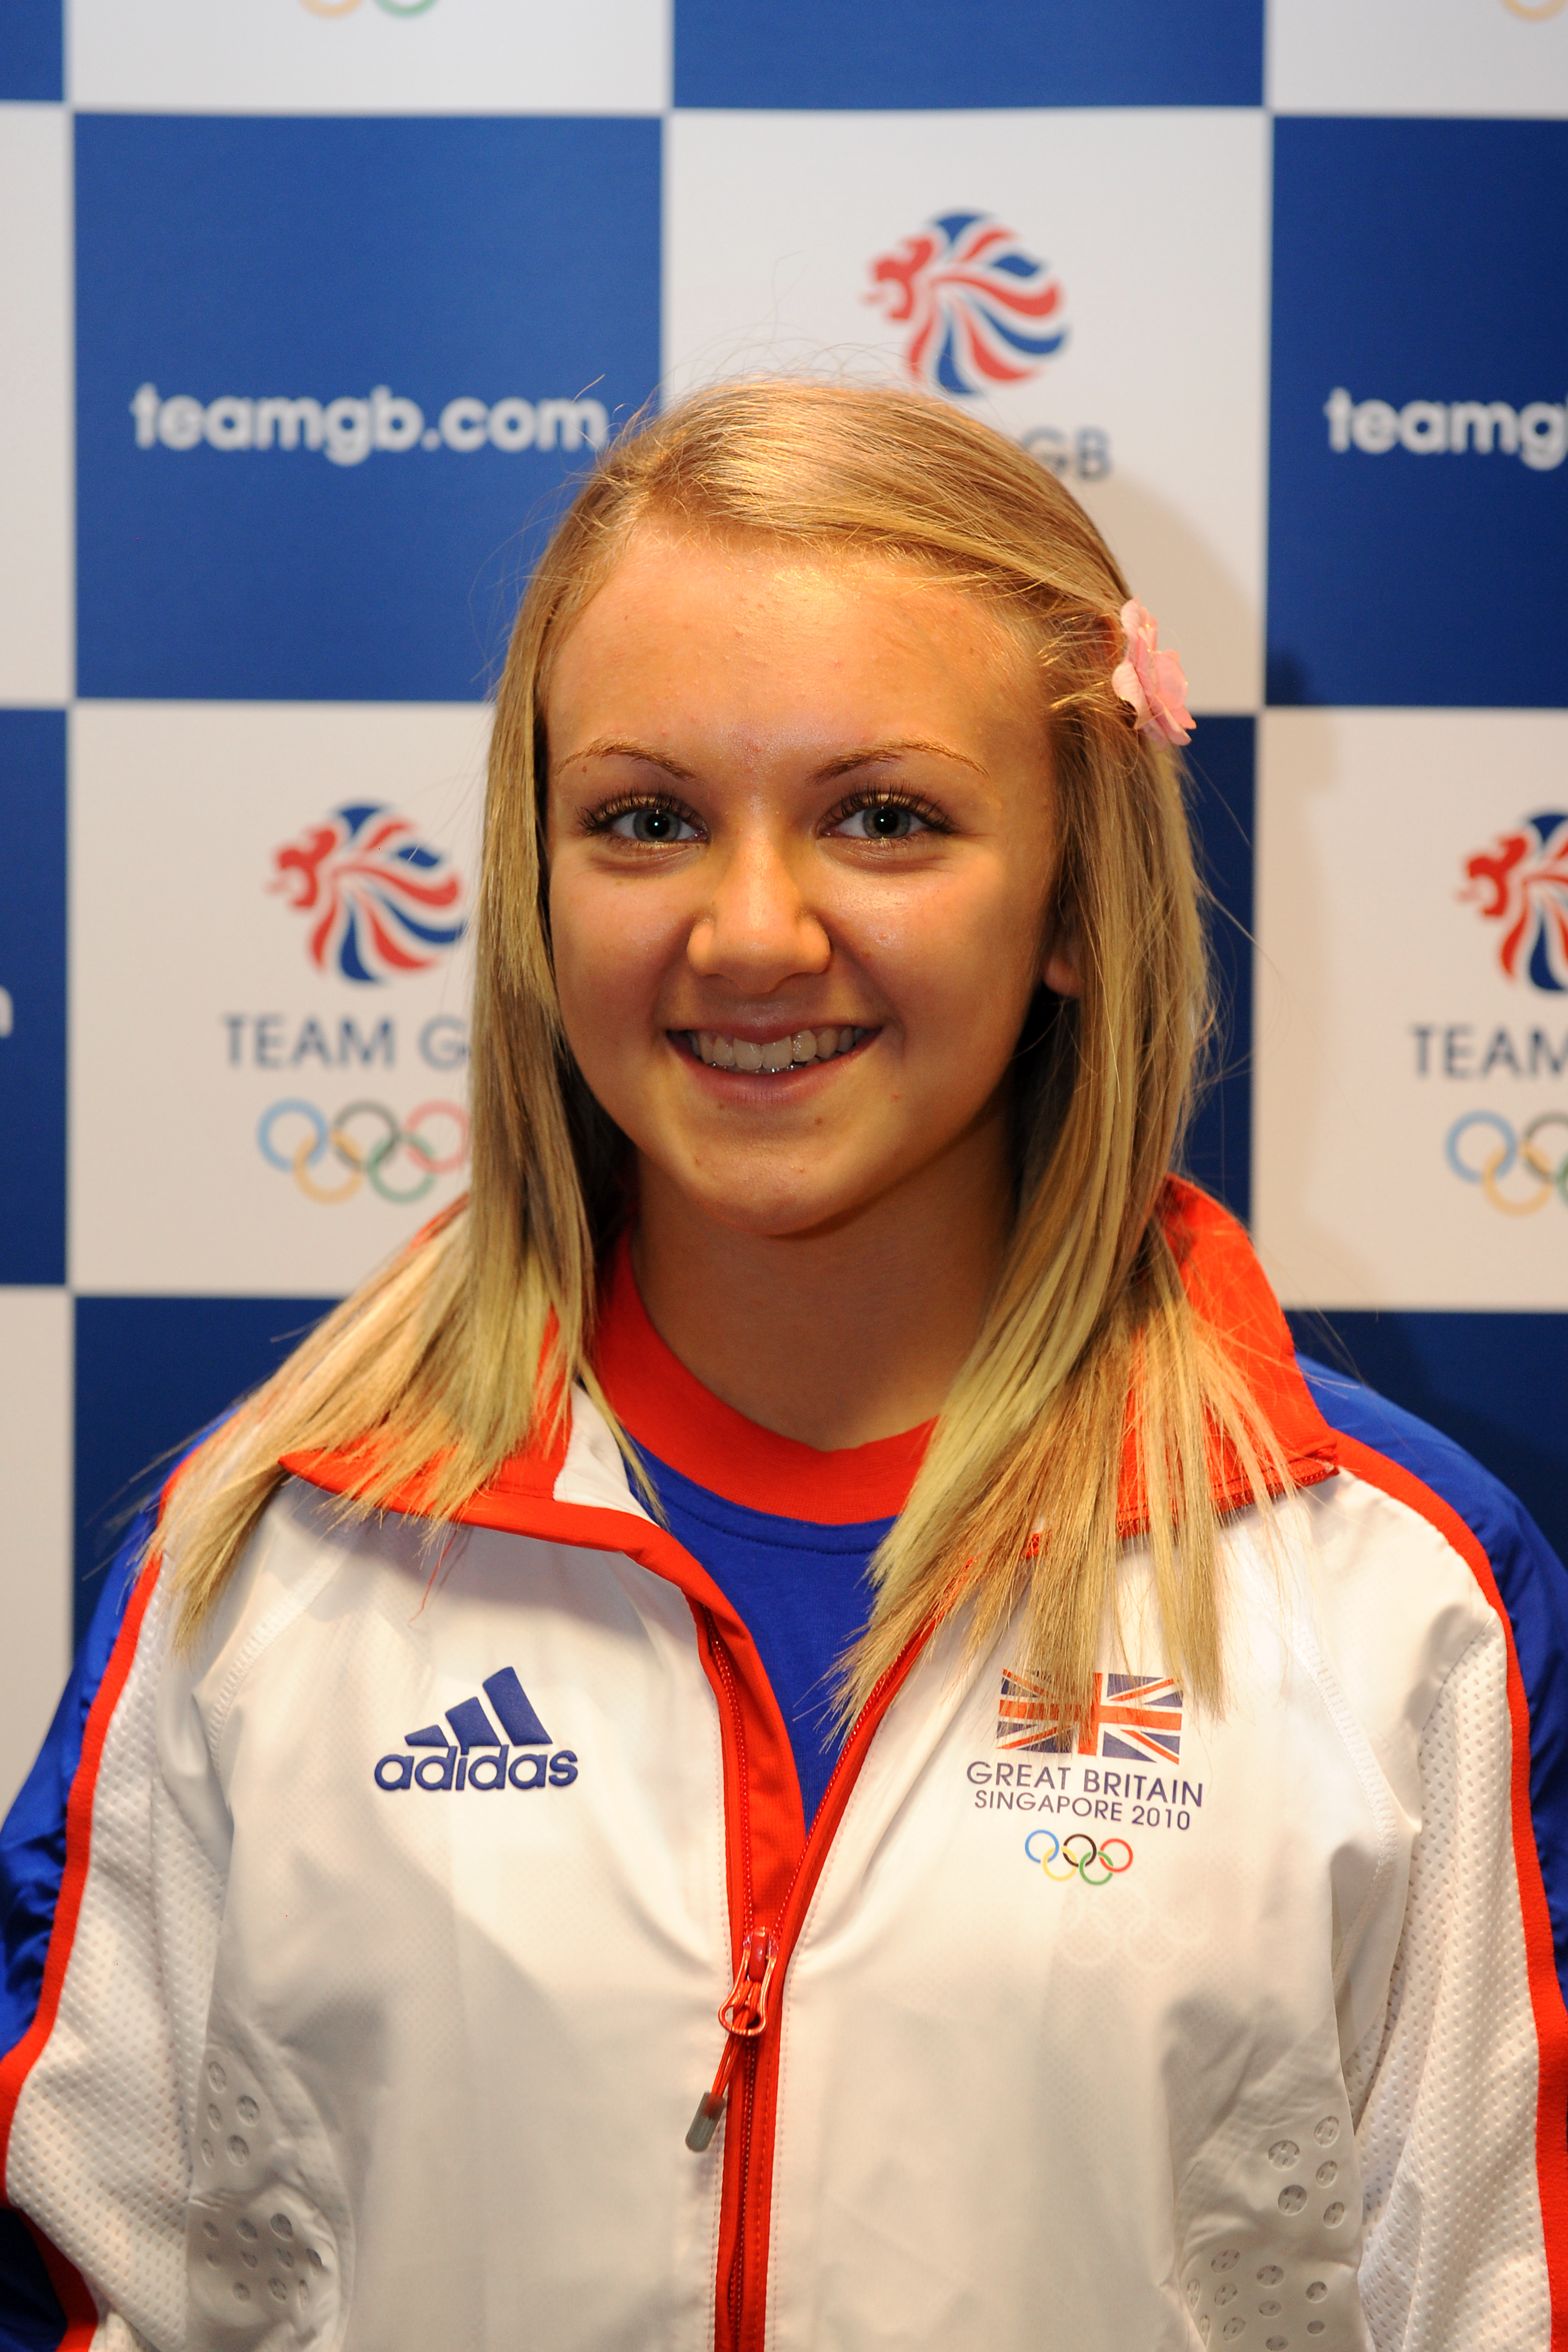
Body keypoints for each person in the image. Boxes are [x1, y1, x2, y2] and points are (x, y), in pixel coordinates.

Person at [2, 379, 1566, 2352]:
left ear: (1073, 895)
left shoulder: (1392, 1595)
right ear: (542, 881)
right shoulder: (266, 1553)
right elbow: (85, 2285)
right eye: (645, 819)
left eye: (883, 817)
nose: (749, 932)